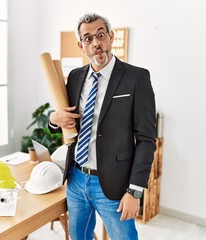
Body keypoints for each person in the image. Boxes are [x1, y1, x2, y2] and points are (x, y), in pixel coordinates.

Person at [49, 13, 156, 240]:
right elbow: (65, 121)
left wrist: (134, 190)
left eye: (100, 35)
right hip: (76, 179)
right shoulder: (76, 78)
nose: (96, 43)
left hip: (114, 183)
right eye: (88, 39)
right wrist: (53, 119)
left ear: (110, 36)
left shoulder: (136, 78)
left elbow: (146, 139)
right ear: (81, 45)